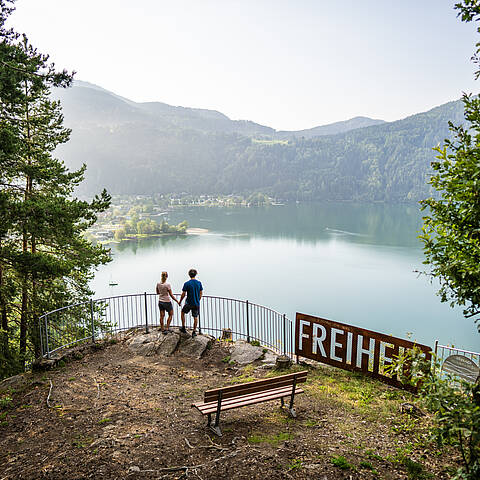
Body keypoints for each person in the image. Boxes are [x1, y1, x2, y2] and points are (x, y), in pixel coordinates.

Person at [178, 268, 203, 337]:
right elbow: (201, 293)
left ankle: (183, 327)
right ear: (195, 274)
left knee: (182, 313)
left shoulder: (187, 283)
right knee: (195, 317)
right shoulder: (199, 283)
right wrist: (198, 299)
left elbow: (183, 294)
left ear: (189, 275)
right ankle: (194, 332)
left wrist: (180, 301)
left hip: (188, 303)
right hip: (196, 303)